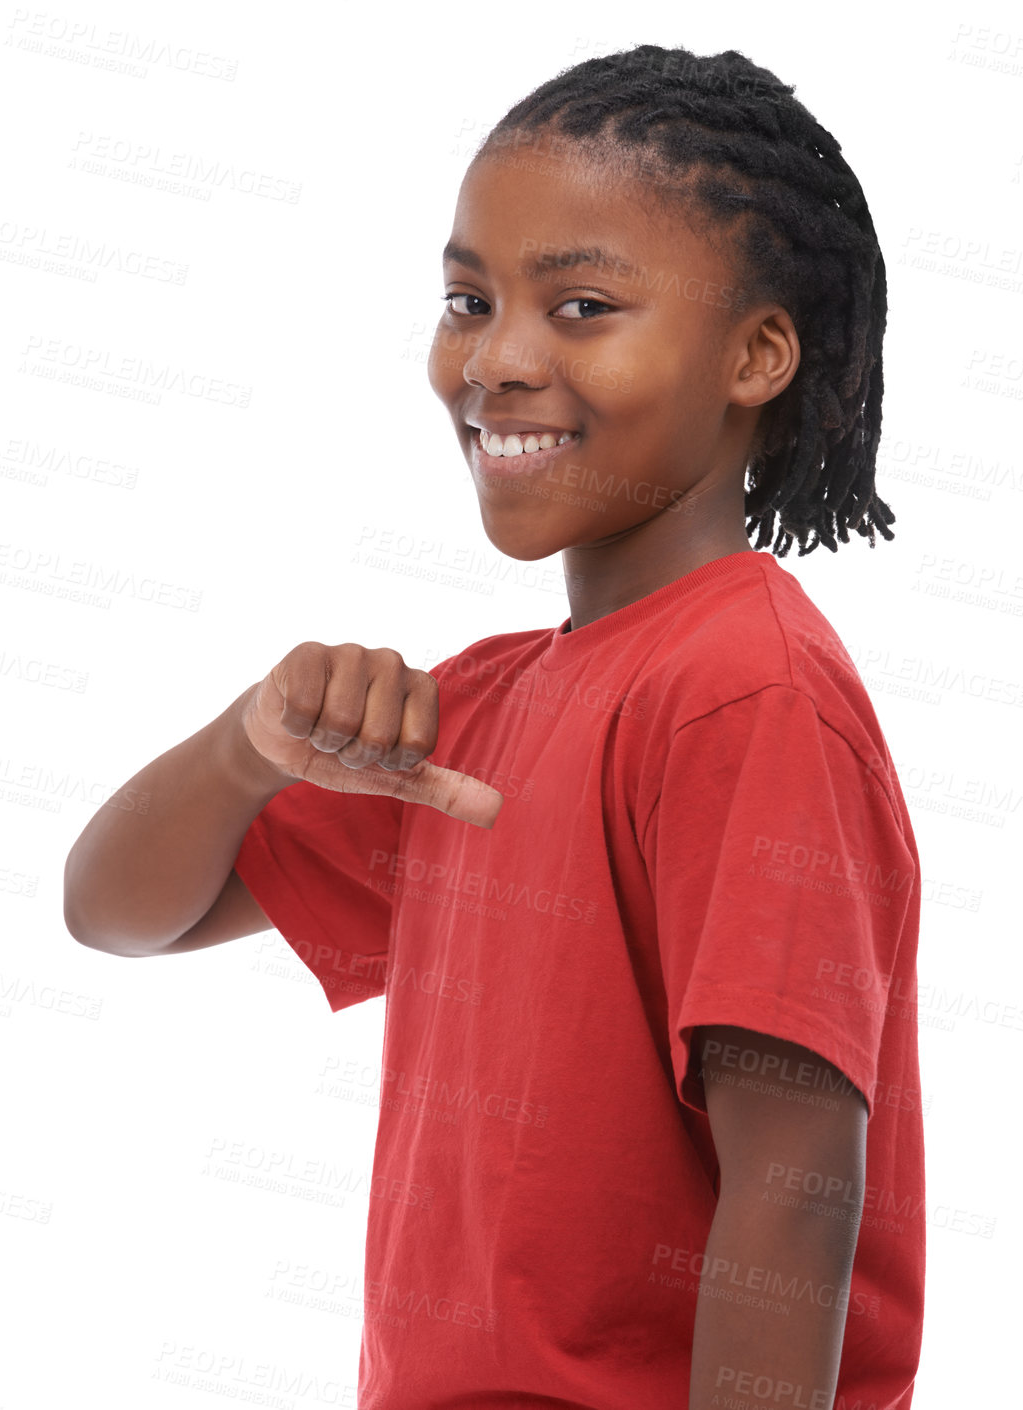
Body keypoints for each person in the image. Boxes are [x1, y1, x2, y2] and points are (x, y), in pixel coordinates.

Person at [63, 44, 924, 1410]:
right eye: (468, 298)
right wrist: (247, 747)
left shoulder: (741, 686)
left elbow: (797, 1178)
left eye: (581, 304)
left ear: (756, 353)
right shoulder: (482, 707)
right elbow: (117, 911)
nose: (497, 358)